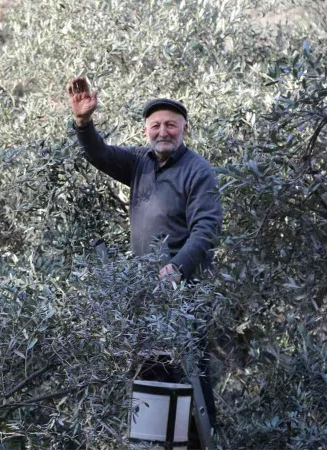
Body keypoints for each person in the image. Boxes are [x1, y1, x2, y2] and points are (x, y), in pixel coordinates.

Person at [67, 77, 223, 445]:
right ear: (146, 130)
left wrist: (176, 267)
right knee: (151, 377)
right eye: (156, 125)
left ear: (185, 128)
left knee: (192, 378)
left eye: (171, 124)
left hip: (186, 296)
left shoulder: (198, 171)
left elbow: (206, 230)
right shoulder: (139, 162)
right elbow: (99, 154)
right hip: (146, 295)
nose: (163, 131)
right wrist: (83, 123)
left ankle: (203, 444)